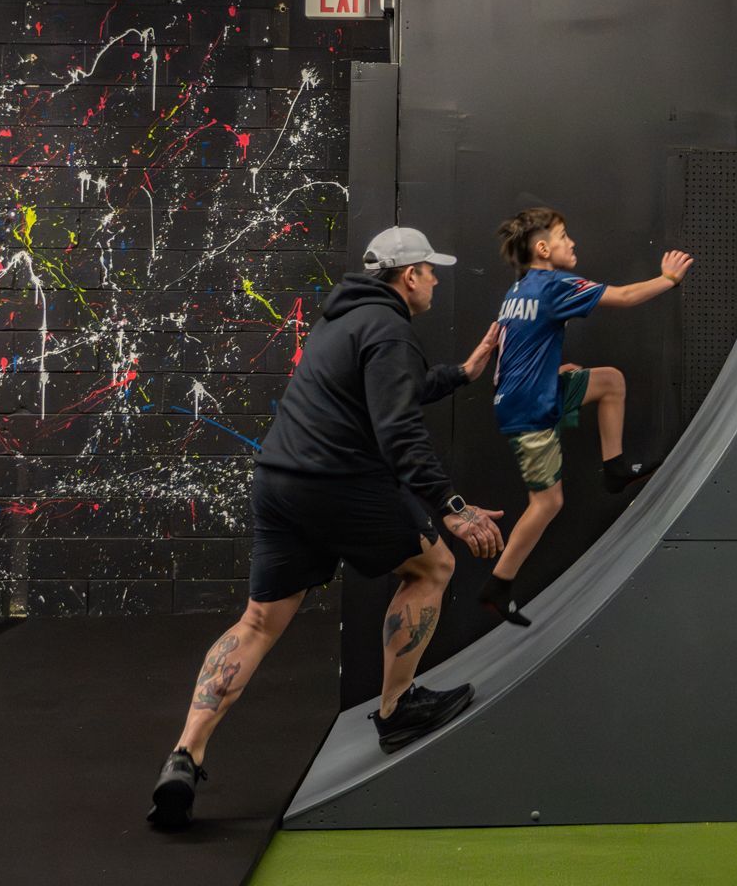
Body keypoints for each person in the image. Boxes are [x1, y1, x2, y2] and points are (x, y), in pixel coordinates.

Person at [147, 226, 507, 831]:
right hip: (339, 485)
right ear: (409, 275)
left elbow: (387, 393)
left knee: (257, 621)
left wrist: (461, 374)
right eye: (431, 271)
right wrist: (453, 504)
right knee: (434, 565)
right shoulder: (391, 328)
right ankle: (397, 709)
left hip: (279, 482)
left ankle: (186, 753)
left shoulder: (340, 322)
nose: (437, 281)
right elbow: (396, 430)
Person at [477, 207, 694, 626]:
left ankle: (614, 470)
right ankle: (498, 585)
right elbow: (625, 297)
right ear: (543, 248)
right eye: (563, 236)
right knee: (547, 502)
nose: (572, 242)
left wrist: (550, 371)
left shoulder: (518, 290)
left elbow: (515, 350)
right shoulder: (555, 284)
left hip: (525, 394)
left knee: (610, 382)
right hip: (530, 410)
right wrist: (668, 279)